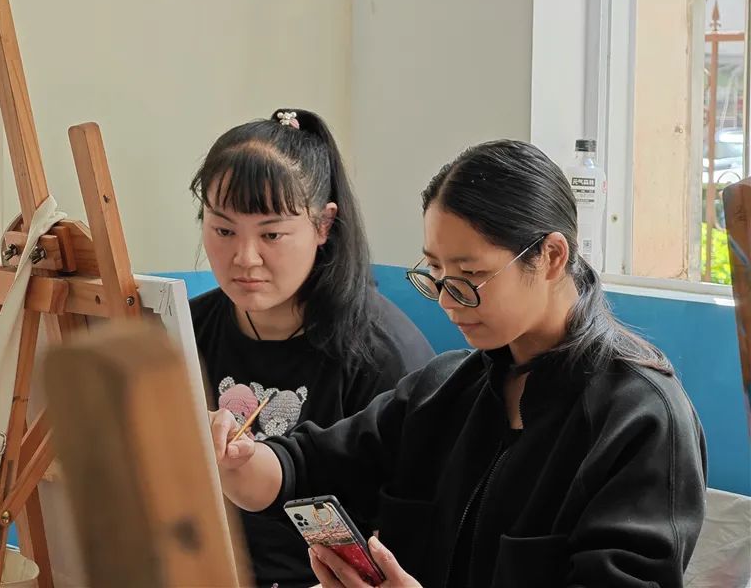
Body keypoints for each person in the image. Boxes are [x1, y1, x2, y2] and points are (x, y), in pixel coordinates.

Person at [210, 139, 707, 587]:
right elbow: (310, 467)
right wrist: (238, 459)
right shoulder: (443, 390)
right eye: (435, 271)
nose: (448, 301)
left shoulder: (639, 419)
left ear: (552, 256)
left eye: (470, 275)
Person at [188, 108, 435, 588]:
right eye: (223, 230)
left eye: (271, 234)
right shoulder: (186, 331)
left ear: (324, 225)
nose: (245, 258)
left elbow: (407, 534)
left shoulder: (385, 354)